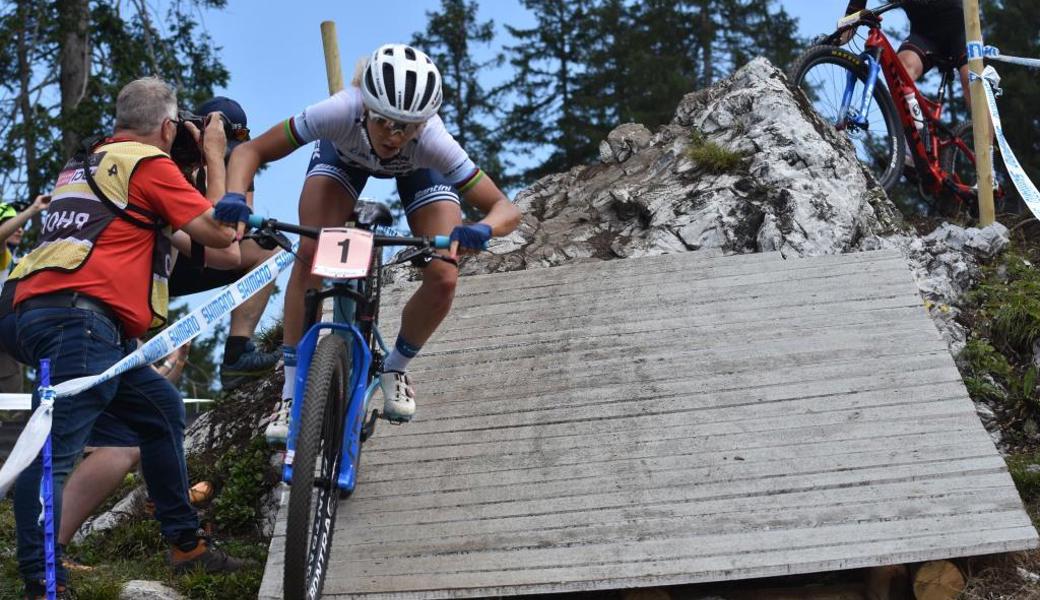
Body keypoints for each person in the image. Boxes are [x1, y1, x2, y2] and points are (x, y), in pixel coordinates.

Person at [8, 76, 250, 599]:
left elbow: (173, 238)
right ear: (167, 127)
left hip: (61, 319)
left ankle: (187, 548)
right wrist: (212, 152)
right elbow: (223, 233)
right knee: (53, 454)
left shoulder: (86, 162)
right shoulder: (147, 163)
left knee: (161, 410)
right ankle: (42, 583)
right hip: (80, 324)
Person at [222, 43, 520, 439]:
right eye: (384, 122)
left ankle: (395, 366)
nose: (394, 136)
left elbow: (504, 207)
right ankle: (291, 392)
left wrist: (483, 229)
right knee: (312, 252)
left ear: (424, 121)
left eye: (407, 126)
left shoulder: (433, 139)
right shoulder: (339, 111)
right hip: (344, 158)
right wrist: (234, 196)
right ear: (365, 107)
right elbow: (251, 150)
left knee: (445, 274)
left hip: (420, 170)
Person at [53, 96, 275, 553]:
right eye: (219, 142)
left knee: (139, 427)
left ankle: (58, 548)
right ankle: (41, 563)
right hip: (106, 292)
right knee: (86, 441)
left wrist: (224, 172)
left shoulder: (228, 164)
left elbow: (231, 250)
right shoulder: (156, 158)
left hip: (130, 283)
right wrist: (211, 159)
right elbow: (225, 239)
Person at [168, 96, 281, 391]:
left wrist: (219, 167)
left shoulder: (236, 163)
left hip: (201, 249)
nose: (227, 160)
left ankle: (237, 353)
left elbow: (236, 232)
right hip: (157, 258)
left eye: (234, 155)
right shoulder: (172, 160)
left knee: (270, 249)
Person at [840, 0, 971, 107]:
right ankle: (908, 134)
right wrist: (832, 42)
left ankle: (989, 138)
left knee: (972, 83)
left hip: (961, 29)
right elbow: (852, 16)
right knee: (899, 77)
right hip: (925, 36)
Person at [0, 196, 50, 392]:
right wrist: (33, 209)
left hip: (7, 346)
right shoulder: (3, 256)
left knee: (11, 414)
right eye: (10, 222)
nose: (19, 228)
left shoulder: (16, 260)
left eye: (22, 224)